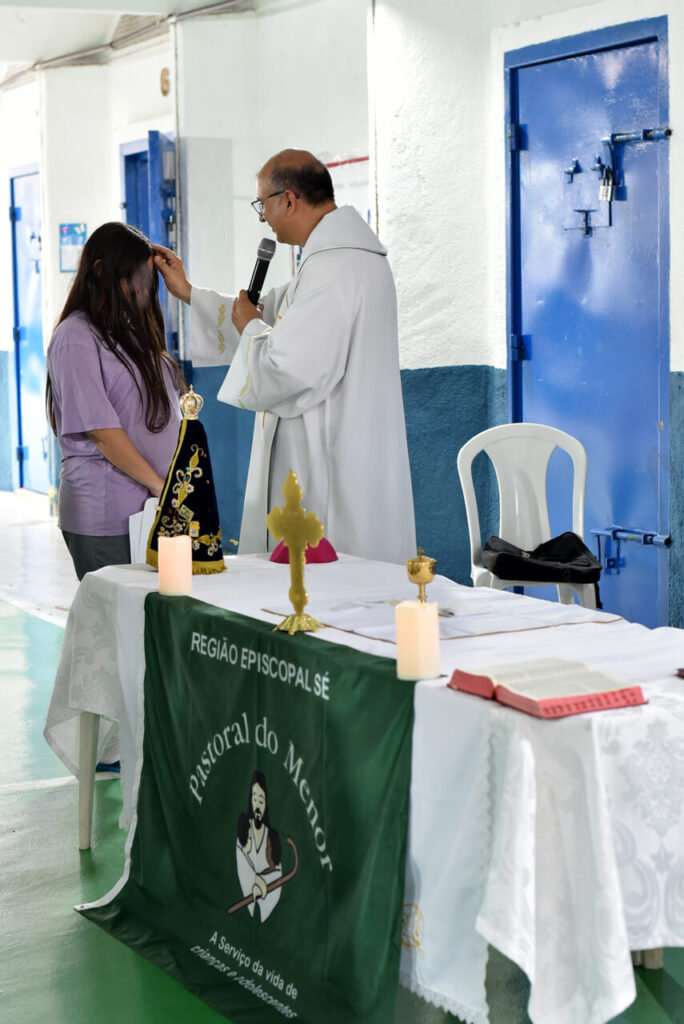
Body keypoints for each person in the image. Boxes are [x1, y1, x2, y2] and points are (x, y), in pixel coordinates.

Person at [153, 148, 416, 564]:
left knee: (326, 586)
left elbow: (289, 368)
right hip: (353, 450)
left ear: (289, 200)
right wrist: (190, 293)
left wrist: (252, 329)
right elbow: (269, 312)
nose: (262, 217)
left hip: (329, 464)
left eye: (263, 204)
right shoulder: (341, 261)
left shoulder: (333, 270)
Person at [46, 222, 184, 580]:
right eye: (135, 278)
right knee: (119, 625)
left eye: (147, 279)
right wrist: (160, 486)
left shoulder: (128, 331)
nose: (143, 289)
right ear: (102, 272)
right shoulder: (76, 336)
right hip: (109, 515)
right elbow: (102, 432)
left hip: (152, 507)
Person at [236, 771, 283, 922]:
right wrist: (254, 882)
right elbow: (240, 858)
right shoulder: (244, 829)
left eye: (261, 801)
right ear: (250, 801)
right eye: (254, 799)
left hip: (266, 901)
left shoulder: (271, 838)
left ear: (266, 806)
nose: (257, 805)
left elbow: (277, 873)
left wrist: (263, 884)